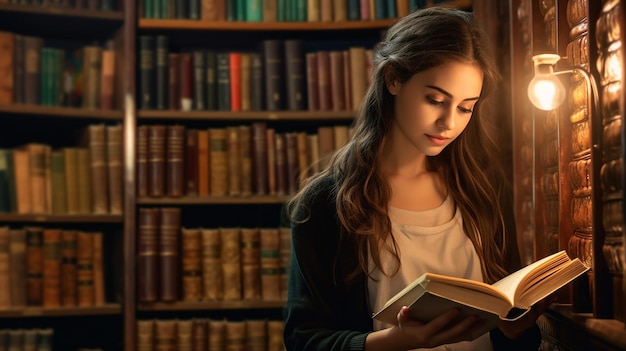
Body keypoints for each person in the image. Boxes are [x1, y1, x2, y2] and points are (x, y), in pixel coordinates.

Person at [283, 6, 548, 351]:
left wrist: (516, 331)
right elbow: (303, 339)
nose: (449, 122)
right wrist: (392, 341)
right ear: (393, 78)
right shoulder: (327, 203)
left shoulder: (484, 189)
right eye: (435, 99)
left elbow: (510, 333)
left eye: (466, 107)